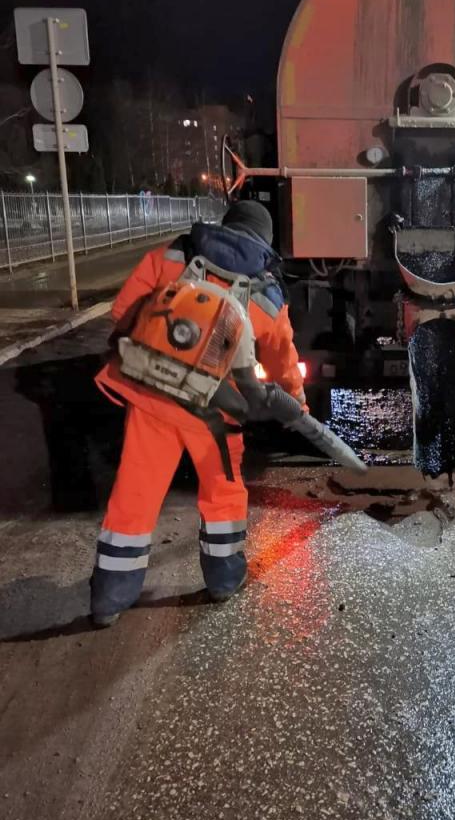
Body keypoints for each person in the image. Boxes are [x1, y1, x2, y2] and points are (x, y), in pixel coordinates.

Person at [89, 196, 306, 627]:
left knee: (135, 492)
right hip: (215, 411)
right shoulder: (264, 292)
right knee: (223, 493)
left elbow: (121, 312)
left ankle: (109, 599)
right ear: (264, 241)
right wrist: (297, 403)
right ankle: (224, 579)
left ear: (226, 225)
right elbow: (282, 359)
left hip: (153, 395)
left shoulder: (174, 254)